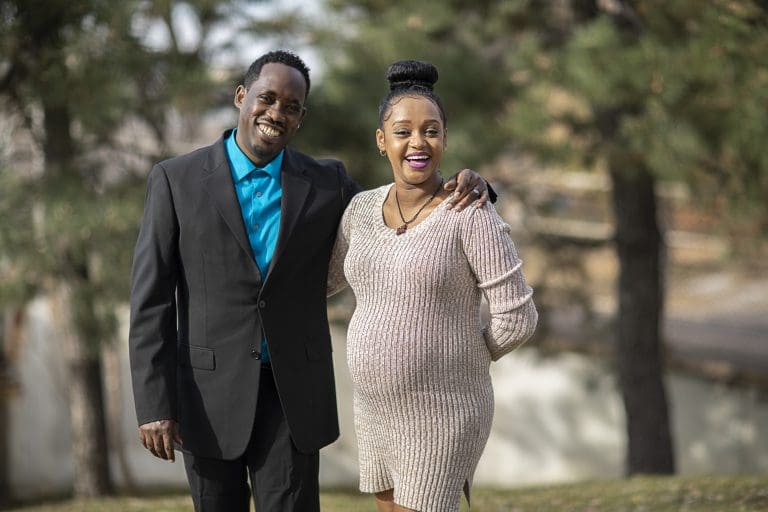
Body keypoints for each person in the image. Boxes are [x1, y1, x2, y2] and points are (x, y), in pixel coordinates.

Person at [128, 50, 490, 512]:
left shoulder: (328, 183)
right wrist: (155, 403)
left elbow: (401, 214)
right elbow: (151, 300)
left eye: (292, 106)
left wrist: (468, 183)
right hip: (207, 396)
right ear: (242, 97)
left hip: (293, 396)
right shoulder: (175, 180)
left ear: (301, 118)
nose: (277, 113)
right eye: (267, 98)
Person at [327, 60, 538, 512]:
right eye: (403, 131)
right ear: (382, 141)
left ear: (445, 139)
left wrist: (461, 356)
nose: (418, 143)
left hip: (444, 410)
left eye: (432, 130)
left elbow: (518, 317)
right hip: (374, 408)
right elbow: (323, 281)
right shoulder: (360, 210)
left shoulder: (470, 212)